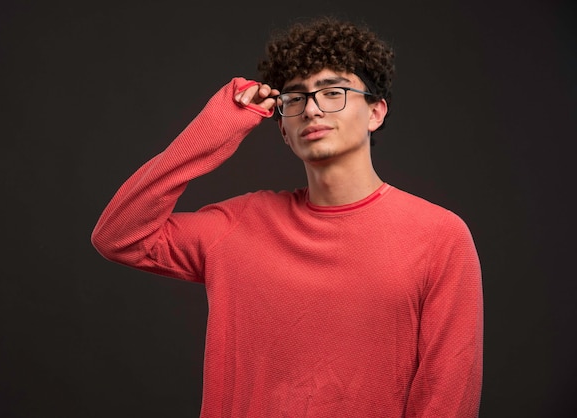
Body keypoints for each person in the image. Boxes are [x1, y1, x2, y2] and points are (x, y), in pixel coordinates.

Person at [91, 16, 483, 417]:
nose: (311, 109)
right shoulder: (240, 225)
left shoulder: (439, 236)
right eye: (294, 98)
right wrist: (220, 124)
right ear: (282, 129)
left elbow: (447, 397)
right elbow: (119, 235)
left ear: (376, 112)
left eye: (333, 92)